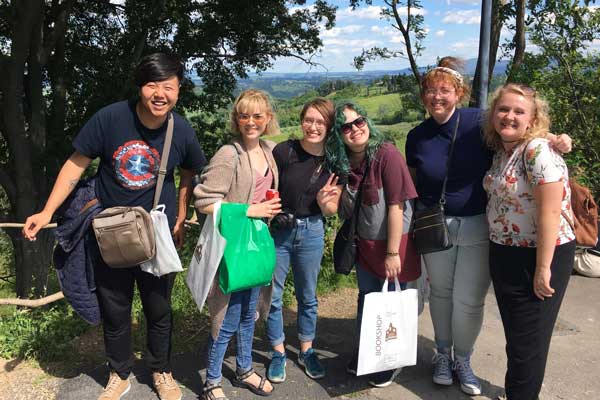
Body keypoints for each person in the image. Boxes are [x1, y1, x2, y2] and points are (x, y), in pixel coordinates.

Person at [22, 53, 206, 400]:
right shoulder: (110, 118)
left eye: (168, 86)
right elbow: (75, 165)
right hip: (110, 232)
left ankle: (160, 370)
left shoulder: (179, 129)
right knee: (115, 307)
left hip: (157, 233)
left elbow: (189, 172)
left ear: (179, 90)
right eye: (152, 84)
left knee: (158, 308)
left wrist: (181, 216)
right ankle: (119, 373)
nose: (160, 94)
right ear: (140, 86)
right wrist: (47, 211)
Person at [405, 57, 571, 395]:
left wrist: (556, 139)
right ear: (423, 96)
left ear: (460, 93)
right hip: (437, 226)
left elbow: (520, 127)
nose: (437, 97)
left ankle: (463, 359)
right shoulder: (416, 137)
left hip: (481, 227)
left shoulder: (477, 122)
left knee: (469, 300)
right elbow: (410, 182)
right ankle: (442, 354)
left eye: (445, 90)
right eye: (431, 91)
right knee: (440, 294)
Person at [482, 83, 576, 400]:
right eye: (503, 109)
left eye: (519, 111)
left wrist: (543, 268)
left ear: (533, 117)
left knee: (528, 343)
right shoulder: (502, 151)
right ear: (493, 113)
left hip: (538, 255)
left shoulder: (536, 151)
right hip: (506, 253)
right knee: (518, 338)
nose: (509, 116)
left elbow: (550, 212)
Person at [193, 89, 281, 400]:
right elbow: (203, 200)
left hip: (256, 245)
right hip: (232, 247)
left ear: (268, 118)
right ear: (236, 119)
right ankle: (212, 382)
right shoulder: (229, 154)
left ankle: (245, 370)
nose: (250, 121)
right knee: (227, 316)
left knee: (250, 313)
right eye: (244, 115)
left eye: (257, 115)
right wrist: (249, 210)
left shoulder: (269, 151)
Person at [326, 101, 419, 388]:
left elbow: (396, 207)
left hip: (393, 243)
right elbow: (341, 210)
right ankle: (370, 352)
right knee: (369, 301)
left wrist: (392, 253)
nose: (355, 129)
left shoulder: (386, 154)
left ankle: (391, 360)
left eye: (359, 122)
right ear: (338, 135)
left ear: (367, 122)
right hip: (364, 245)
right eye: (346, 126)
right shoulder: (344, 164)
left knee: (394, 302)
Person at [265, 98, 342, 383]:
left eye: (320, 122)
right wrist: (274, 214)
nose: (313, 126)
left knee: (307, 296)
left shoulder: (334, 159)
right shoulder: (284, 151)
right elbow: (268, 190)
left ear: (329, 126)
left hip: (312, 230)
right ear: (301, 121)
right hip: (279, 230)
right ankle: (277, 351)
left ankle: (307, 349)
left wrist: (325, 203)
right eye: (308, 120)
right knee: (272, 295)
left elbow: (333, 209)